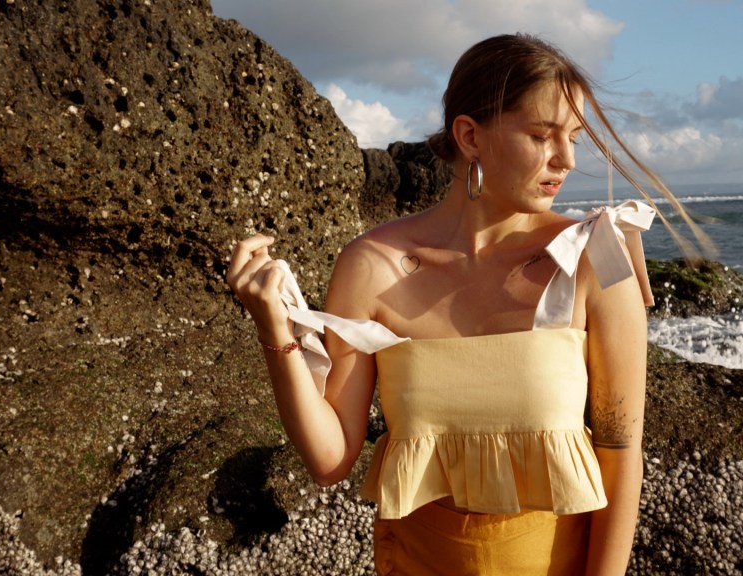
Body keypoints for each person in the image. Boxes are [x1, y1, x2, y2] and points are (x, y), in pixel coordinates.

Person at [228, 33, 702, 575]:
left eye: (573, 137)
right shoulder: (371, 265)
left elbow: (620, 455)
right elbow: (330, 460)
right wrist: (275, 332)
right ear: (470, 135)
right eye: (541, 135)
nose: (567, 159)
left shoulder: (595, 257)